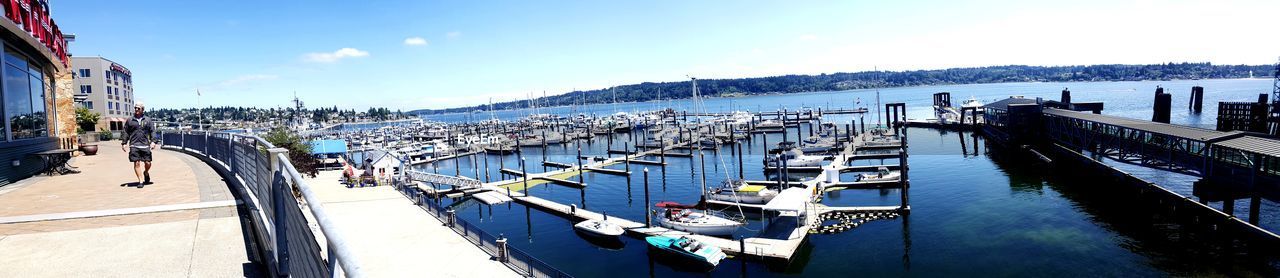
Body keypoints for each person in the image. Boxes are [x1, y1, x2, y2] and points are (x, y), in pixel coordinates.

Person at [122, 103, 156, 188]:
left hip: (145, 145)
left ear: (142, 109)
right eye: (135, 108)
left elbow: (152, 131)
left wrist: (153, 141)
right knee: (136, 163)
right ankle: (141, 181)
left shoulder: (148, 120)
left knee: (148, 163)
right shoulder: (130, 120)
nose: (136, 110)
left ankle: (146, 172)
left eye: (138, 108)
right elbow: (125, 132)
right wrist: (124, 143)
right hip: (134, 144)